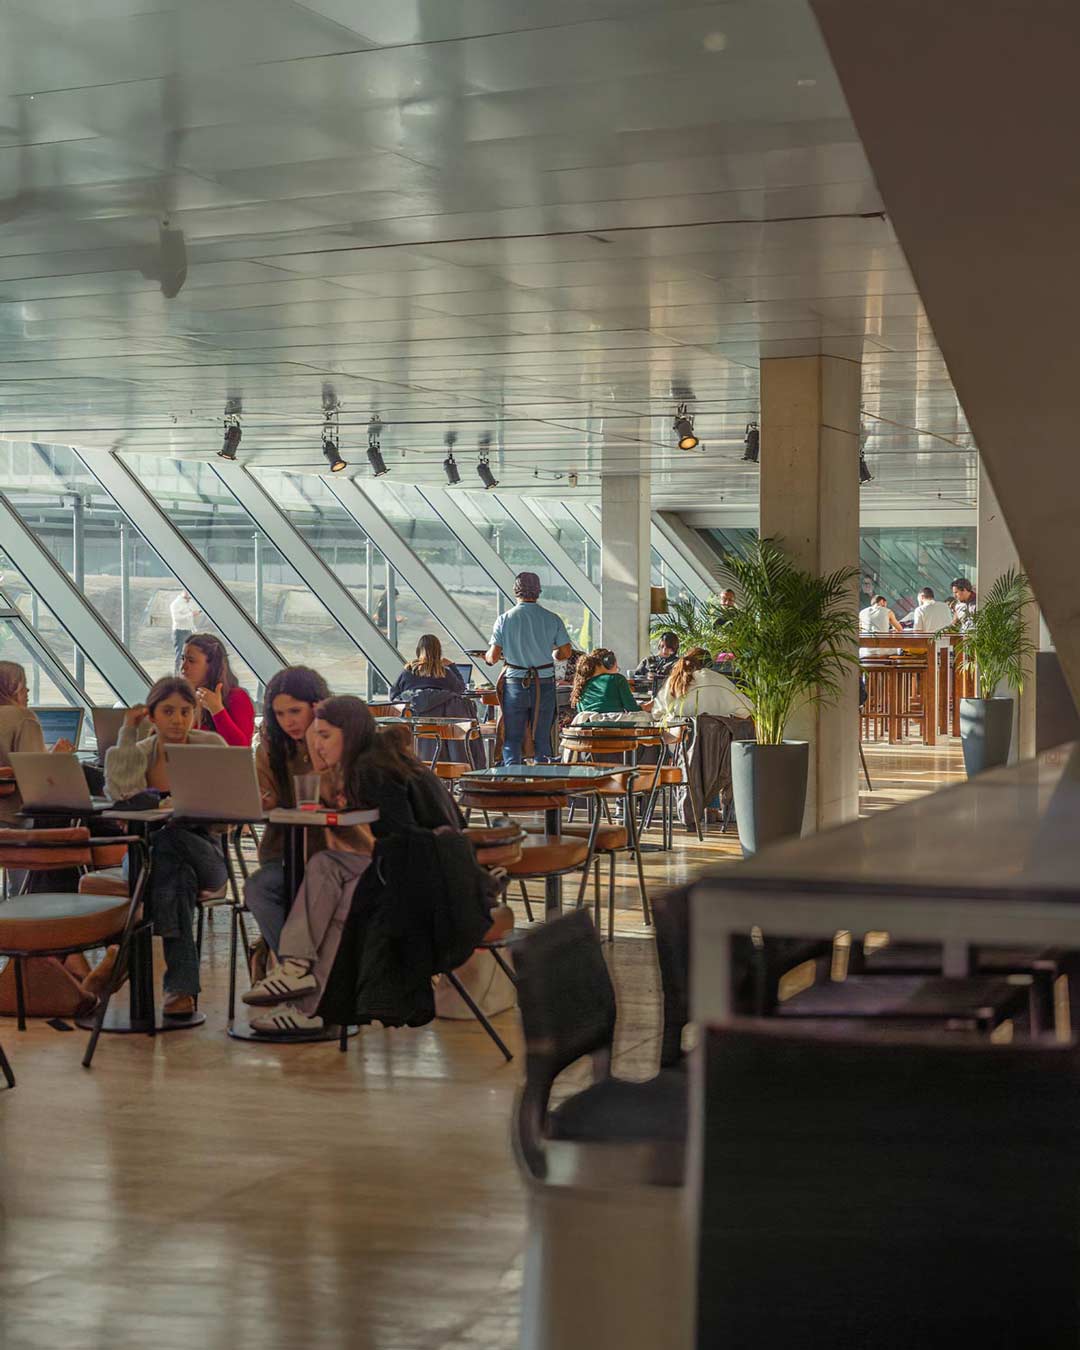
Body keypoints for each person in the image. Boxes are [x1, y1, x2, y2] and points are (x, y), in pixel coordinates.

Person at [241, 695, 462, 1035]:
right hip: (433, 867)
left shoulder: (371, 771)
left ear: (350, 732)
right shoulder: (381, 760)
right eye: (315, 736)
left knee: (342, 899)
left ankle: (309, 1006)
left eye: (325, 735)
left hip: (426, 878)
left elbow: (405, 843)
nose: (317, 744)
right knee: (325, 866)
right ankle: (296, 968)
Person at [104, 676, 226, 1016]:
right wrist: (128, 733)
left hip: (206, 853)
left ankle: (124, 957)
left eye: (186, 711)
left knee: (168, 839)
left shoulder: (210, 746)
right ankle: (179, 990)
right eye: (168, 711)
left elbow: (229, 811)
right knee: (175, 874)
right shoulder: (141, 752)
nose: (178, 720)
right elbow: (121, 795)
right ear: (152, 715)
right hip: (149, 857)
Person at [243, 666, 330, 969]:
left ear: (316, 706)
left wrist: (316, 738)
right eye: (279, 714)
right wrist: (261, 799)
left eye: (295, 711)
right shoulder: (271, 747)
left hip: (330, 853)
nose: (288, 721)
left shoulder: (336, 739)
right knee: (258, 888)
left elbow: (336, 793)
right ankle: (298, 968)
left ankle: (300, 969)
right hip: (283, 854)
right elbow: (266, 794)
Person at [484, 572, 573, 765]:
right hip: (544, 683)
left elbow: (492, 657)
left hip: (515, 684)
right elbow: (566, 652)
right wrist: (553, 654)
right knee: (542, 737)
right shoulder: (552, 618)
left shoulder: (505, 619)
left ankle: (513, 775)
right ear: (538, 591)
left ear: (515, 591)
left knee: (513, 737)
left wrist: (488, 657)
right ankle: (543, 776)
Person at [0, 661, 75, 825]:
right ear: (10, 688)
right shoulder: (23, 717)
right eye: (23, 685)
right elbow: (37, 781)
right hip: (11, 820)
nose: (27, 691)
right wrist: (58, 757)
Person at [180, 633, 256, 746]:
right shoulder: (183, 698)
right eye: (183, 659)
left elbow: (241, 749)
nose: (183, 667)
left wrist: (217, 710)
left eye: (191, 661)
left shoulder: (237, 698)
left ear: (212, 666)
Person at [650, 647, 752, 722]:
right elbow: (748, 710)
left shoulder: (674, 681)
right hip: (717, 741)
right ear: (710, 664)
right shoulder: (719, 679)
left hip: (679, 742)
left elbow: (656, 714)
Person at [389, 635, 466, 708]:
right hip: (441, 716)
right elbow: (461, 689)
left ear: (418, 651)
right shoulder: (444, 674)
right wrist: (452, 666)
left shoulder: (408, 673)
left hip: (413, 715)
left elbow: (393, 696)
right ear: (439, 652)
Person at [570, 649, 639, 715]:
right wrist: (645, 706)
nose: (617, 670)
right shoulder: (618, 679)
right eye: (616, 667)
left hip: (588, 723)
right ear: (609, 663)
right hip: (613, 722)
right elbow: (633, 709)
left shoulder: (581, 685)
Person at [169, 590, 202, 671]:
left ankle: (189, 672)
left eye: (189, 598)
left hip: (189, 630)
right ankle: (177, 673)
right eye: (187, 597)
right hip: (179, 631)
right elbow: (177, 618)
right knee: (180, 653)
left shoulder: (189, 602)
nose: (189, 599)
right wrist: (191, 614)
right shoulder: (175, 604)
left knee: (190, 652)